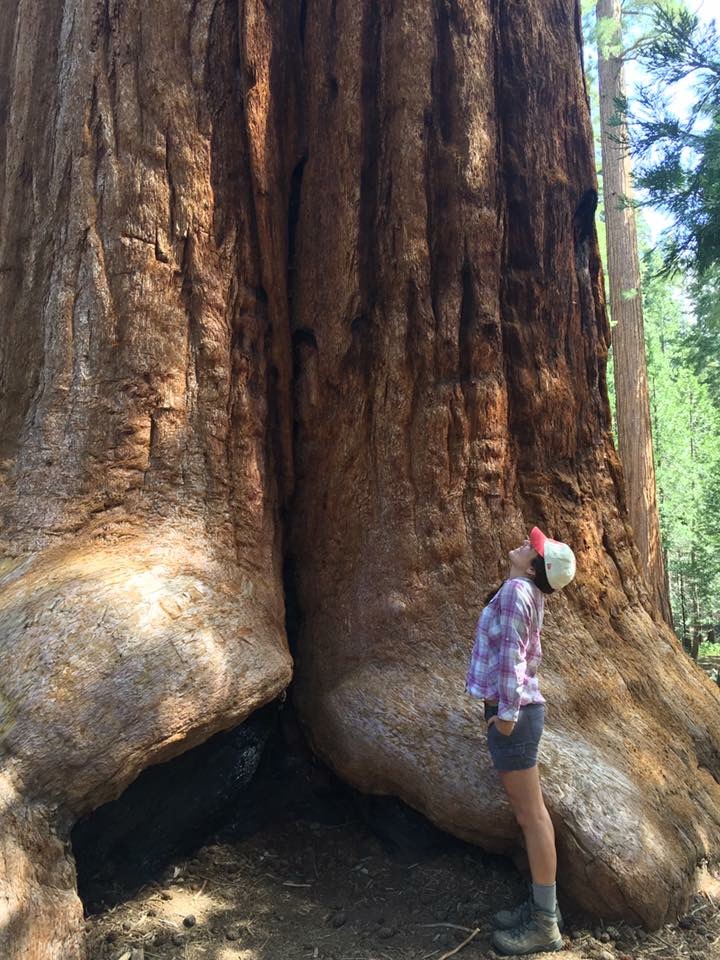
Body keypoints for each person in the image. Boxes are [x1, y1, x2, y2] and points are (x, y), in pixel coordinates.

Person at [465, 526, 576, 956]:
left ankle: (546, 924)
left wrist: (505, 717)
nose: (526, 545)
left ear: (535, 565)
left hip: (516, 713)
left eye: (534, 548)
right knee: (532, 816)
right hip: (519, 711)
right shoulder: (527, 592)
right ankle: (541, 907)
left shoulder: (516, 591)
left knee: (533, 818)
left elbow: (512, 656)